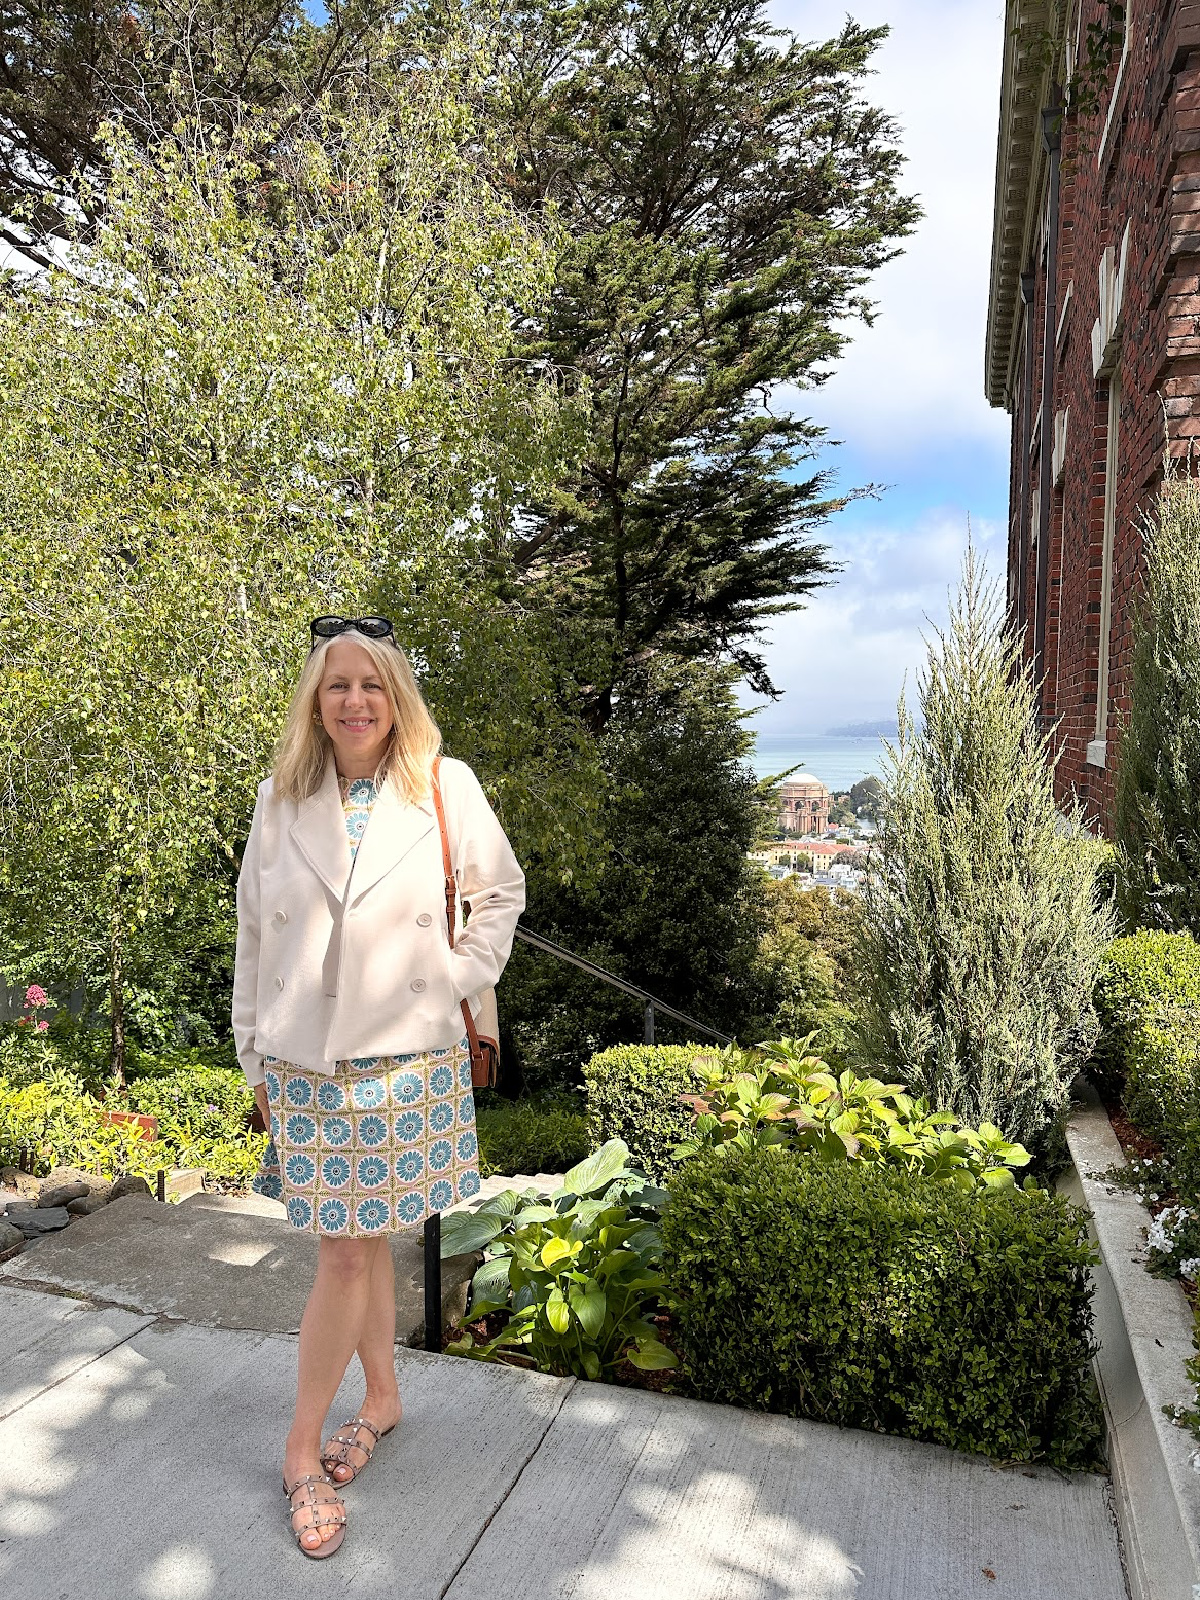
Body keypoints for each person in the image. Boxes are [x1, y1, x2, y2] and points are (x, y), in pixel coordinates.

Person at [232, 614, 525, 1560]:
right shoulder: (280, 797)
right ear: (315, 703)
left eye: (370, 684)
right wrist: (252, 1053)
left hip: (407, 1055)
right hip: (308, 1060)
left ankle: (312, 1440)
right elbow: (253, 934)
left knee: (359, 1247)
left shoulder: (444, 784)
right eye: (336, 685)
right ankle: (357, 1415)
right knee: (352, 1250)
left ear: (396, 697)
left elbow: (500, 893)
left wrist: (452, 975)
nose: (354, 701)